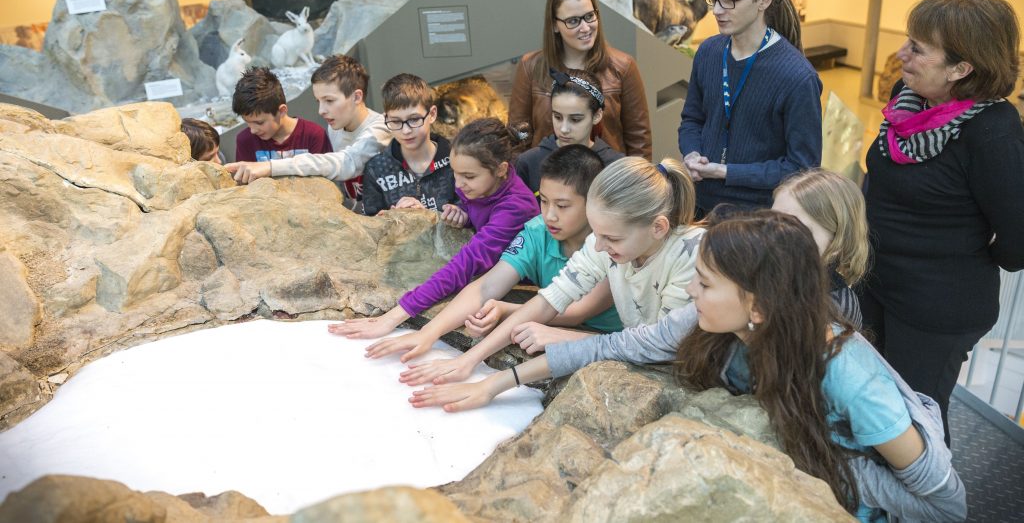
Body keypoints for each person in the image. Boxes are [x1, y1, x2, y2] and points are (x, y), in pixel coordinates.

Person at [411, 212, 967, 523]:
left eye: (704, 284)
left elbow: (944, 503)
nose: (691, 293)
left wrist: (821, 472)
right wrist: (500, 381)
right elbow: (616, 348)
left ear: (758, 302)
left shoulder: (846, 374)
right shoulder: (707, 320)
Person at [861, 0, 1024, 442]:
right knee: (868, 405)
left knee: (914, 424)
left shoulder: (993, 132)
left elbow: (1017, 242)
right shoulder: (907, 96)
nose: (901, 55)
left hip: (937, 306)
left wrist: (950, 253)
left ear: (961, 69)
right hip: (878, 282)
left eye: (917, 49)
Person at [398, 156, 704, 386]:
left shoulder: (691, 256)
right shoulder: (606, 245)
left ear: (658, 227)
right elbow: (548, 301)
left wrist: (562, 337)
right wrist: (469, 359)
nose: (597, 247)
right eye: (595, 233)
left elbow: (659, 346)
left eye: (611, 238)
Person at [362, 145, 622, 364]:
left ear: (593, 201)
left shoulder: (611, 244)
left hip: (615, 340)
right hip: (547, 326)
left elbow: (576, 311)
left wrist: (504, 309)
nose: (550, 214)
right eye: (544, 201)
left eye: (562, 205)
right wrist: (429, 332)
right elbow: (486, 286)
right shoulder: (536, 232)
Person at [329, 118, 538, 339]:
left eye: (468, 177)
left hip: (522, 287)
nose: (458, 184)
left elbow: (466, 264)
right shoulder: (481, 186)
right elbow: (475, 208)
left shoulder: (516, 207)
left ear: (501, 170)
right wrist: (463, 212)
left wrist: (395, 315)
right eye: (455, 173)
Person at [678, 0, 822, 215]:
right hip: (699, 204)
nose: (717, 10)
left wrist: (725, 172)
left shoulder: (797, 77)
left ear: (763, 0)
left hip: (758, 217)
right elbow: (692, 119)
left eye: (730, 0)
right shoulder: (708, 51)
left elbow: (802, 168)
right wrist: (691, 154)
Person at [509, 0, 652, 159]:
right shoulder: (530, 66)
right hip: (548, 177)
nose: (585, 28)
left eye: (589, 16)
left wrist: (636, 184)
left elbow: (639, 141)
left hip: (607, 179)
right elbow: (518, 137)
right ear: (554, 25)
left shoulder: (623, 66)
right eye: (573, 21)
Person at [226, 57, 390, 207]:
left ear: (356, 97)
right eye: (318, 101)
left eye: (329, 101)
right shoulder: (335, 128)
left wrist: (269, 166)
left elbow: (347, 163)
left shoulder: (383, 127)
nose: (321, 111)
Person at [772, 168, 868, 327]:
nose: (775, 236)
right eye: (770, 221)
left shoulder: (838, 307)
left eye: (795, 228)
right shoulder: (757, 273)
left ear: (836, 244)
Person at [361, 73, 457, 216]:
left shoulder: (456, 159)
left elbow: (472, 217)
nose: (406, 130)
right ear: (386, 118)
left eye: (414, 119)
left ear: (432, 114)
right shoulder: (376, 169)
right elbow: (370, 227)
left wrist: (426, 216)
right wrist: (388, 219)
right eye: (396, 121)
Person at [515, 68, 623, 194]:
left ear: (597, 116)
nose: (564, 129)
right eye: (557, 117)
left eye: (575, 119)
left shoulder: (615, 166)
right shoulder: (528, 162)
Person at [229, 66, 332, 164]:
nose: (253, 130)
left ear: (282, 111)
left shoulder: (314, 135)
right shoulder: (245, 141)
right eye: (247, 122)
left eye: (259, 122)